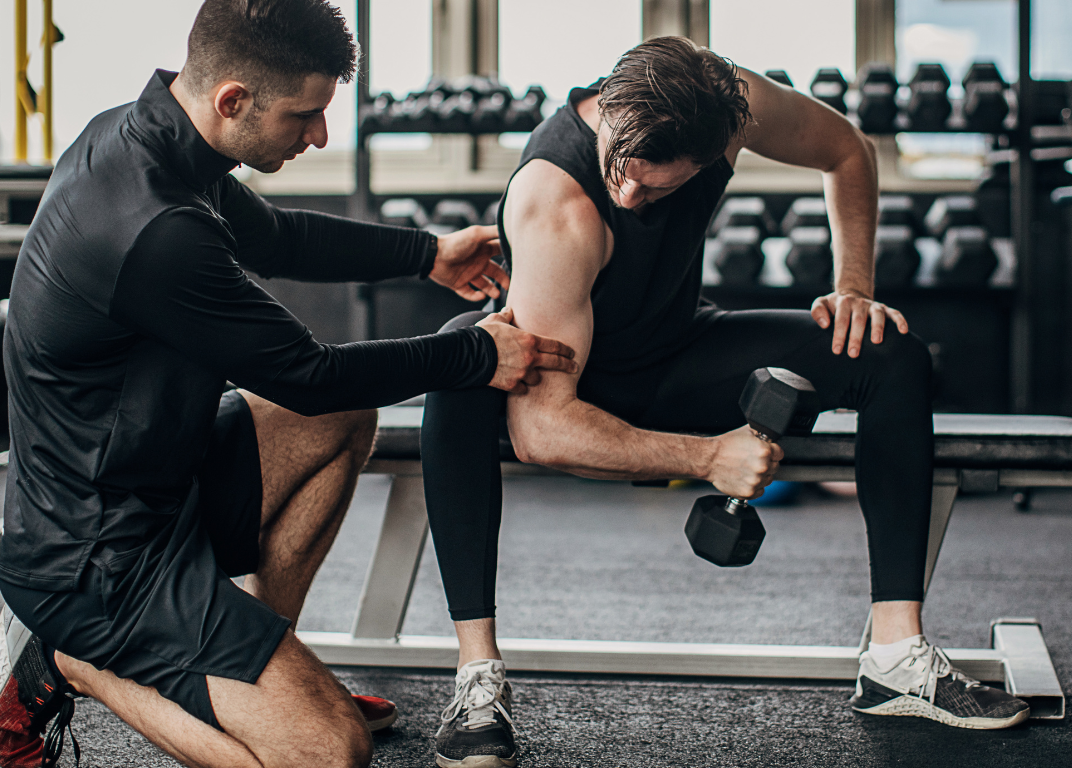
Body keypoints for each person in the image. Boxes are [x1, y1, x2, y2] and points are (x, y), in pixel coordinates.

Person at [0, 2, 577, 767]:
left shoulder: (152, 142)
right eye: (308, 116)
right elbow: (306, 374)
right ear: (234, 100)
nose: (320, 136)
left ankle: (266, 666)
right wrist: (477, 357)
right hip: (98, 561)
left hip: (161, 477)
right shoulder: (155, 231)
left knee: (347, 416)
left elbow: (280, 237)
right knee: (327, 753)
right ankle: (71, 662)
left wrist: (427, 254)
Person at [421, 36, 1031, 767]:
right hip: (571, 385)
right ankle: (478, 679)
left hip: (679, 349)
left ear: (720, 151)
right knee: (461, 356)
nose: (628, 196)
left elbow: (848, 150)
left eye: (656, 189)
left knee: (888, 351)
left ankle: (896, 657)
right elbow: (544, 431)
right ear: (609, 110)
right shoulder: (557, 203)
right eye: (620, 168)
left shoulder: (734, 103)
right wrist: (709, 457)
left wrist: (855, 289)